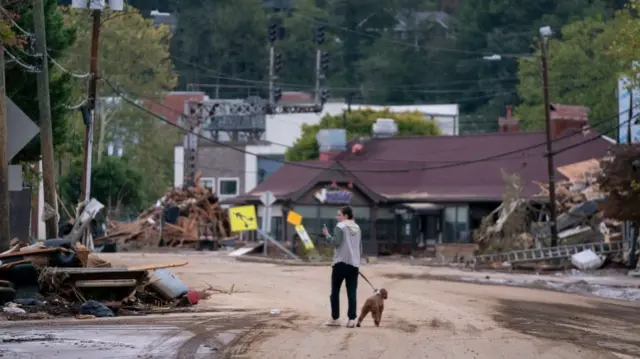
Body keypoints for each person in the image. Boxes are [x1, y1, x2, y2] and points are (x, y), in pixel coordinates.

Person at [322, 206, 362, 328]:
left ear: (345, 216)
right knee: (352, 292)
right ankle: (351, 319)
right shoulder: (357, 227)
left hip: (340, 263)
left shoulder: (340, 227)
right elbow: (359, 247)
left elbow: (336, 242)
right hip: (354, 264)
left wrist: (327, 235)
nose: (337, 217)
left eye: (339, 215)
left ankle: (335, 319)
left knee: (335, 292)